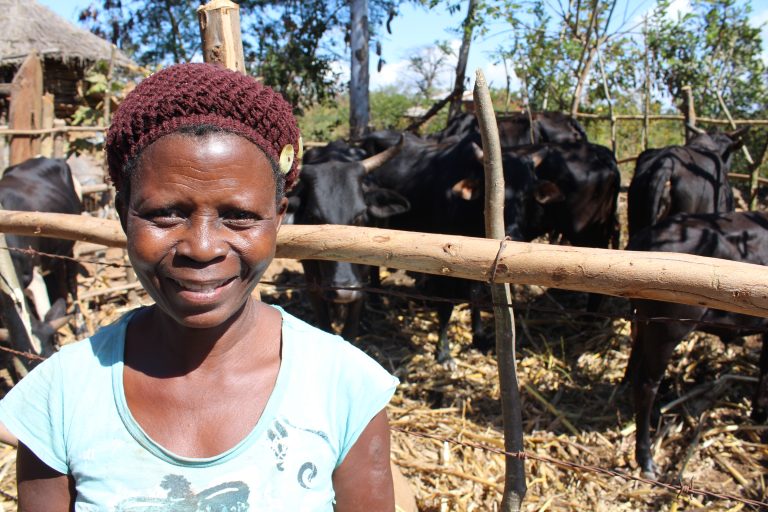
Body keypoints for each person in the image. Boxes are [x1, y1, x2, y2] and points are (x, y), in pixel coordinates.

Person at [0, 63, 399, 511]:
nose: (203, 248)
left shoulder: (344, 388)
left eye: (240, 215)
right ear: (122, 213)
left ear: (279, 216)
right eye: (165, 213)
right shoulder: (59, 397)